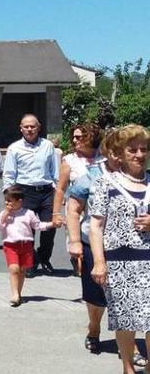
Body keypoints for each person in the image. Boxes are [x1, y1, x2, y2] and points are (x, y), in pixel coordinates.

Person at [88, 124, 150, 374]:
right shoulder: (105, 182)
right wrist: (99, 261)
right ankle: (127, 367)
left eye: (143, 149)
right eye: (132, 150)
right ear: (121, 153)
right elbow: (95, 226)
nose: (138, 154)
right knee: (127, 319)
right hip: (119, 262)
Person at [66, 128, 116, 357]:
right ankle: (94, 328)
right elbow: (74, 208)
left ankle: (127, 341)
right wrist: (75, 241)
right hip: (91, 244)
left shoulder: (142, 178)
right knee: (97, 297)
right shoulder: (92, 175)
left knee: (128, 296)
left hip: (131, 247)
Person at [2, 114, 60, 277]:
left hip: (47, 191)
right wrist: (9, 196)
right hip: (24, 192)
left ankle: (44, 257)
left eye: (32, 126)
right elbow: (9, 174)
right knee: (27, 230)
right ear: (21, 128)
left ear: (38, 127)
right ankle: (31, 262)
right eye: (26, 126)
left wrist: (58, 193)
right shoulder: (14, 148)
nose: (29, 129)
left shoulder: (48, 146)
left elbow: (55, 171)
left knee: (50, 228)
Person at [0, 186, 59, 307]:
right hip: (10, 245)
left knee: (23, 270)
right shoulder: (4, 214)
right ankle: (14, 294)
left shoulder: (28, 213)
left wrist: (52, 224)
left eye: (10, 201)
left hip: (26, 245)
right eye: (6, 201)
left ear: (19, 201)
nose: (7, 203)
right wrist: (6, 215)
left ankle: (18, 293)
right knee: (14, 269)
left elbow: (38, 226)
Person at [54, 123, 104, 272]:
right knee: (80, 250)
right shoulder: (70, 160)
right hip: (77, 210)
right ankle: (82, 273)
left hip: (99, 208)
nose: (75, 140)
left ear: (91, 137)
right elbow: (60, 188)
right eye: (73, 137)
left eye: (79, 137)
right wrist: (56, 213)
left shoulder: (104, 157)